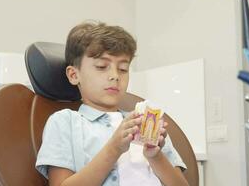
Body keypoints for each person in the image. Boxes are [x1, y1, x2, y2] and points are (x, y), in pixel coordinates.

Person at [36, 21, 189, 186]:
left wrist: (155, 155)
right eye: (102, 66)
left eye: (123, 69)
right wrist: (114, 148)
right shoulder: (65, 122)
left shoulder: (142, 121)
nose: (115, 76)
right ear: (74, 75)